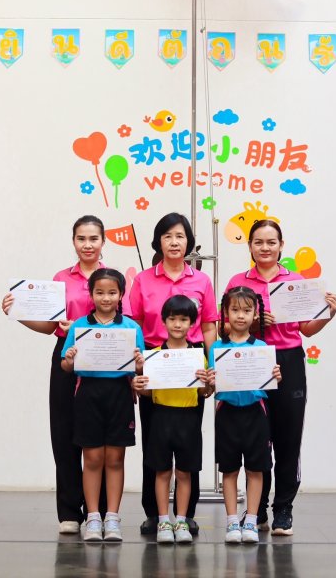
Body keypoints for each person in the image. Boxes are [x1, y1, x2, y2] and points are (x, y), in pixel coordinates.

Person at [225, 219, 336, 535]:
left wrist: (329, 314)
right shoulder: (238, 282)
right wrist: (253, 323)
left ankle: (284, 509)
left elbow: (307, 329)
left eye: (271, 242)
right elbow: (224, 326)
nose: (265, 248)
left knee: (288, 438)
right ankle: (257, 510)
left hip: (288, 360)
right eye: (258, 242)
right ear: (250, 246)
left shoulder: (296, 281)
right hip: (250, 360)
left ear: (281, 246)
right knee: (255, 438)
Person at [1, 215, 108, 533]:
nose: (87, 245)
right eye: (81, 238)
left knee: (100, 437)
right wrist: (17, 312)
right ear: (73, 241)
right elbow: (50, 326)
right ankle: (69, 513)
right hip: (65, 356)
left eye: (93, 238)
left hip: (103, 359)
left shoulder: (110, 278)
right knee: (64, 433)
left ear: (103, 241)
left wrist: (82, 327)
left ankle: (101, 511)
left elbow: (123, 321)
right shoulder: (61, 279)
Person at [128, 212, 218, 536]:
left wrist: (212, 366)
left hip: (190, 366)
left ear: (189, 241)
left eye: (180, 236)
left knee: (188, 441)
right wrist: (137, 366)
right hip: (154, 366)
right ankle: (155, 514)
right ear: (159, 242)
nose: (174, 242)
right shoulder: (143, 280)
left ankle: (185, 514)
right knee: (154, 443)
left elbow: (209, 326)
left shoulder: (201, 281)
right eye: (167, 236)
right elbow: (134, 325)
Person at [61, 268, 145, 542]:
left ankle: (112, 518)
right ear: (91, 294)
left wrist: (140, 365)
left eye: (112, 292)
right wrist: (70, 359)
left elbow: (140, 369)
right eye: (99, 292)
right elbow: (65, 365)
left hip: (120, 395)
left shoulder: (131, 328)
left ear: (121, 295)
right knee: (92, 459)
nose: (106, 298)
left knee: (115, 459)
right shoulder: (79, 327)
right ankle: (94, 517)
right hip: (88, 395)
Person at [132, 295, 213, 544]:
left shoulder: (198, 356)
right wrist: (138, 386)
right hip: (161, 417)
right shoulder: (153, 356)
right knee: (162, 471)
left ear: (192, 323)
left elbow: (204, 393)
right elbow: (148, 392)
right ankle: (163, 520)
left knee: (185, 472)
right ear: (163, 321)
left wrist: (208, 384)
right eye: (172, 319)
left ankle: (181, 520)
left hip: (188, 418)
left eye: (184, 320)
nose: (178, 324)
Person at [208, 286, 281, 544]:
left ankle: (250, 520)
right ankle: (231, 521)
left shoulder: (262, 347)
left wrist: (275, 377)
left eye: (247, 311)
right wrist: (209, 381)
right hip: (226, 414)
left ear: (255, 314)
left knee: (255, 469)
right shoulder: (216, 348)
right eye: (235, 310)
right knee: (229, 470)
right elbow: (211, 387)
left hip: (255, 414)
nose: (241, 316)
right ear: (225, 313)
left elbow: (269, 384)